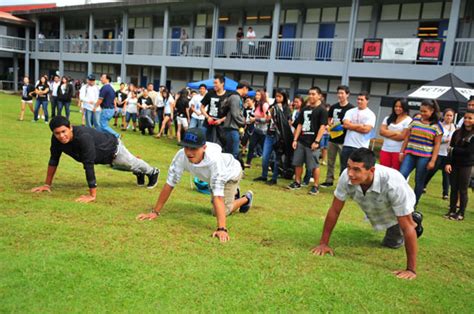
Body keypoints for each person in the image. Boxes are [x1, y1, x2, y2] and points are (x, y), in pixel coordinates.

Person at [311, 148, 422, 280]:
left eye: (356, 169)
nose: (350, 173)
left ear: (372, 170)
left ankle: (416, 221)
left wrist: (411, 270)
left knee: (395, 240)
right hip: (375, 204)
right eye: (348, 167)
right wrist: (323, 243)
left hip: (397, 206)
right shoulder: (346, 176)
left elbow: (407, 227)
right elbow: (335, 210)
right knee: (390, 233)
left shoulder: (393, 183)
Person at [136, 128, 254, 243]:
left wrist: (221, 229)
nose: (189, 152)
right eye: (186, 147)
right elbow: (169, 184)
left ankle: (246, 198)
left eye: (194, 148)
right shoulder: (181, 156)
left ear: (204, 148)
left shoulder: (214, 161)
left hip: (231, 174)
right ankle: (234, 194)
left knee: (219, 211)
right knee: (219, 208)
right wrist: (154, 212)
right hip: (213, 177)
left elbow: (218, 197)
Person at [31, 116, 160, 203]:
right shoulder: (56, 140)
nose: (61, 136)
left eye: (64, 131)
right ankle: (139, 172)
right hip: (102, 157)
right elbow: (54, 160)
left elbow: (88, 165)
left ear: (70, 127)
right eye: (57, 133)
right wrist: (47, 185)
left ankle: (153, 171)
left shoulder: (83, 137)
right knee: (124, 166)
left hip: (114, 149)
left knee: (131, 163)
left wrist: (92, 195)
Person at [399, 100, 442, 207]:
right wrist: (401, 151)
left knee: (419, 181)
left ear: (432, 111)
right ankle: (399, 199)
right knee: (401, 176)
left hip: (424, 157)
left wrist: (433, 161)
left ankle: (413, 204)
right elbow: (407, 137)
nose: (422, 113)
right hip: (410, 154)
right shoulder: (415, 120)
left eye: (425, 111)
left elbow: (437, 145)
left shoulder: (437, 126)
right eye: (421, 111)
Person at [288, 86, 328, 195]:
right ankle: (297, 181)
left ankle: (315, 186)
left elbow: (322, 127)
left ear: (319, 96)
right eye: (309, 94)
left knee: (314, 165)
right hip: (301, 140)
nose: (311, 96)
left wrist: (317, 141)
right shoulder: (305, 109)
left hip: (313, 142)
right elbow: (299, 125)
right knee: (298, 162)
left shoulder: (322, 110)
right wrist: (295, 139)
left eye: (313, 94)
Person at [254, 89, 292, 185]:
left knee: (277, 158)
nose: (278, 98)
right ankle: (264, 175)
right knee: (265, 156)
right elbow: (267, 119)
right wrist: (269, 115)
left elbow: (288, 123)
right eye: (277, 96)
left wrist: (280, 112)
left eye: (280, 96)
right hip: (269, 133)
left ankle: (274, 178)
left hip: (279, 136)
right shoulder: (272, 106)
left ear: (284, 98)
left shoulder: (286, 109)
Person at [321, 86, 354, 188]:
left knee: (344, 163)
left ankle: (343, 182)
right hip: (332, 138)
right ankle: (329, 180)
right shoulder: (333, 107)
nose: (340, 95)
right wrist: (329, 125)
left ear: (347, 94)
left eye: (342, 93)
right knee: (330, 161)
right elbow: (329, 119)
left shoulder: (351, 108)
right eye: (338, 93)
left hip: (344, 140)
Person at [445, 110, 473, 221]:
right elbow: (449, 149)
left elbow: (469, 152)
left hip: (467, 165)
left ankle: (461, 213)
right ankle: (452, 211)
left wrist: (454, 149)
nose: (467, 120)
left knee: (463, 189)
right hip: (454, 164)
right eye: (465, 117)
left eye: (470, 118)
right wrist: (448, 162)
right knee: (453, 188)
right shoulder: (457, 133)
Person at [340, 91, 376, 173]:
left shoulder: (370, 114)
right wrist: (360, 126)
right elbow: (345, 124)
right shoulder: (350, 111)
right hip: (348, 144)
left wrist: (351, 125)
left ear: (367, 101)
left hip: (361, 146)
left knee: (358, 170)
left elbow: (366, 130)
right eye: (358, 99)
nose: (359, 101)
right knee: (344, 169)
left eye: (362, 99)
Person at [424, 108, 456, 199]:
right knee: (432, 170)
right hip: (438, 152)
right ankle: (424, 184)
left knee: (446, 174)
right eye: (447, 115)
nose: (449, 117)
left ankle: (445, 193)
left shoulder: (454, 127)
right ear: (444, 116)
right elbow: (434, 139)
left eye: (451, 116)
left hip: (447, 154)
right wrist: (445, 140)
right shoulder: (439, 126)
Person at [379, 98, 412, 170]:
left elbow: (402, 136)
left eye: (400, 107)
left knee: (395, 173)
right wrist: (396, 133)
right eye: (396, 106)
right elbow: (381, 132)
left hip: (397, 151)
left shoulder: (408, 120)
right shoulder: (388, 118)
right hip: (385, 149)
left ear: (405, 107)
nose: (397, 108)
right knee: (383, 171)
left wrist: (387, 133)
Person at [223, 80, 250, 159]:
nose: (247, 92)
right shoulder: (235, 97)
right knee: (233, 154)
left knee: (231, 153)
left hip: (232, 128)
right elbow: (236, 114)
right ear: (244, 88)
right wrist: (243, 122)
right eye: (247, 89)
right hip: (232, 128)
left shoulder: (235, 96)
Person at [201, 74, 228, 146]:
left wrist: (221, 120)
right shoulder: (210, 94)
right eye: (214, 83)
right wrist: (208, 117)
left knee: (218, 145)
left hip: (221, 125)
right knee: (203, 142)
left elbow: (230, 113)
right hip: (208, 123)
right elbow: (202, 107)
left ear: (222, 84)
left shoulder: (228, 96)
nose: (214, 85)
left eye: (216, 83)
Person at [245, 89, 270, 167]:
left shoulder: (265, 105)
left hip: (264, 131)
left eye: (259, 95)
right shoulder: (257, 104)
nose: (257, 96)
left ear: (262, 96)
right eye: (256, 94)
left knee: (265, 149)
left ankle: (269, 165)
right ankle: (248, 162)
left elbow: (268, 119)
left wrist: (256, 119)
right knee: (251, 146)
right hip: (256, 129)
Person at [94, 74, 120, 138]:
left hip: (107, 110)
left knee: (103, 126)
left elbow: (100, 99)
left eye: (102, 77)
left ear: (107, 79)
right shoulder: (111, 88)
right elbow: (113, 99)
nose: (101, 79)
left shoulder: (105, 88)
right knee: (103, 126)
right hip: (111, 110)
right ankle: (103, 137)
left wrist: (95, 107)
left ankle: (116, 135)